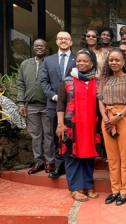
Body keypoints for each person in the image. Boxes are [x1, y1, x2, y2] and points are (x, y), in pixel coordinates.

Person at [56, 49, 100, 202]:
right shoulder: (67, 80)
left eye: (85, 61)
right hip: (71, 127)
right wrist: (60, 124)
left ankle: (88, 185)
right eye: (79, 61)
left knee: (89, 156)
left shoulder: (97, 81)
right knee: (72, 157)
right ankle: (75, 188)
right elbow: (60, 104)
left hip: (91, 127)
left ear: (91, 63)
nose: (81, 63)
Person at [98, 48, 126, 206]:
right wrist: (105, 118)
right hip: (107, 119)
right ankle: (114, 190)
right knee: (112, 158)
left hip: (125, 118)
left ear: (123, 62)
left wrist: (119, 116)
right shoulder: (104, 79)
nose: (114, 62)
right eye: (111, 60)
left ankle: (124, 191)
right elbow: (100, 100)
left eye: (117, 60)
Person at [40, 31, 76, 179]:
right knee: (56, 136)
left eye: (66, 39)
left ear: (71, 42)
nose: (63, 41)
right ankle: (58, 166)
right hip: (53, 104)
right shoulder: (48, 60)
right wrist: (54, 96)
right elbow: (43, 82)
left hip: (73, 106)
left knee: (72, 136)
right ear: (56, 41)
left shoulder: (78, 59)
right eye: (60, 38)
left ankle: (71, 166)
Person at [17, 39, 53, 175]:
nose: (39, 47)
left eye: (42, 46)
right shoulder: (25, 64)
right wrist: (21, 102)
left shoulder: (50, 63)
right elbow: (20, 83)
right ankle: (38, 161)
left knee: (49, 135)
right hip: (31, 106)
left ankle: (49, 161)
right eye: (36, 45)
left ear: (46, 48)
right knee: (35, 136)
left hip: (48, 105)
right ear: (33, 48)